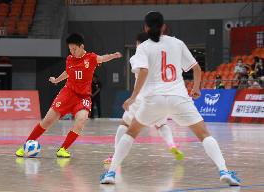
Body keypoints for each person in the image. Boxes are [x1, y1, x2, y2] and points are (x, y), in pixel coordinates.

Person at [100, 12, 240, 186]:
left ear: (146, 27)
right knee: (204, 134)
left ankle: (111, 173)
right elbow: (196, 69)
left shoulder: (143, 47)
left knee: (130, 132)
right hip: (178, 98)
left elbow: (142, 72)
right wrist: (196, 89)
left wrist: (132, 97)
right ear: (163, 26)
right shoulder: (177, 43)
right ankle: (224, 171)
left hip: (154, 100)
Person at [15, 33, 122, 158]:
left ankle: (63, 149)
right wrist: (56, 80)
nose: (72, 52)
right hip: (67, 94)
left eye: (74, 49)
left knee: (81, 120)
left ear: (81, 46)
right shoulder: (70, 59)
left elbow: (103, 58)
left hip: (82, 97)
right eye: (70, 49)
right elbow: (68, 72)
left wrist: (113, 56)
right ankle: (25, 146)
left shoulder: (91, 58)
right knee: (47, 121)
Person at [103, 32, 184, 167]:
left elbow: (141, 72)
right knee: (161, 124)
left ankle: (116, 155)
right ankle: (172, 145)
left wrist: (132, 97)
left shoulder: (137, 57)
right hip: (161, 97)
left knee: (124, 124)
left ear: (139, 44)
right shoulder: (160, 57)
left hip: (142, 98)